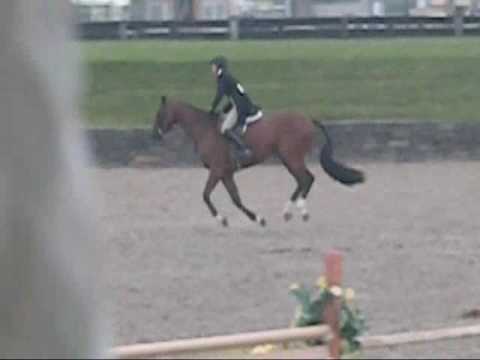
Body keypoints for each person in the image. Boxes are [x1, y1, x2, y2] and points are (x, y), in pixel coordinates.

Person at [209, 56, 262, 161]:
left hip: (240, 107)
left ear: (219, 67)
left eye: (213, 66)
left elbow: (219, 95)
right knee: (223, 117)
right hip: (240, 103)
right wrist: (224, 110)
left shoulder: (223, 78)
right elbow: (233, 96)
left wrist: (212, 108)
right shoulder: (226, 77)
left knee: (225, 129)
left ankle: (243, 149)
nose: (212, 69)